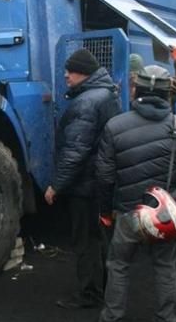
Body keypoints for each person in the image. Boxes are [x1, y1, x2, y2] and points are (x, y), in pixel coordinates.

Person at [96, 65, 176, 322]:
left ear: (137, 90)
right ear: (167, 93)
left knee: (118, 266)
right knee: (164, 267)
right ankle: (166, 317)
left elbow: (104, 177)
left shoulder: (114, 126)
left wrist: (105, 212)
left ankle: (111, 316)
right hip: (164, 214)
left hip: (127, 213)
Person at [44, 48, 121, 309]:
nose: (65, 75)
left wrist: (56, 185)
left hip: (85, 185)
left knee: (86, 241)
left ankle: (90, 294)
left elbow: (76, 150)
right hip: (100, 182)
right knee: (99, 238)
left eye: (71, 70)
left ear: (84, 73)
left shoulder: (86, 102)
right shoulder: (106, 94)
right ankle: (105, 287)